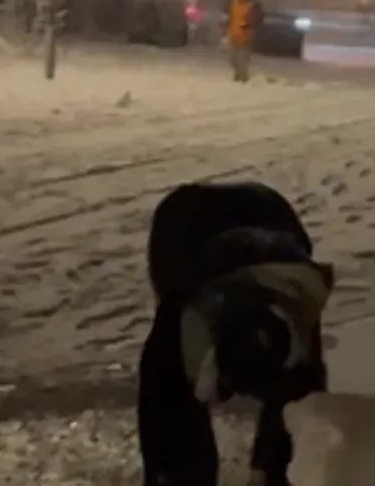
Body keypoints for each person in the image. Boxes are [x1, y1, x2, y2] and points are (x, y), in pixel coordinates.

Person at [139, 181, 333, 486]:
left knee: (295, 407)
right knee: (172, 379)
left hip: (265, 215)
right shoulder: (193, 322)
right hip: (190, 225)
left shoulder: (294, 317)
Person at [226, 0, 265, 83]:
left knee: (243, 57)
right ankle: (238, 74)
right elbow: (231, 16)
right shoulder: (235, 2)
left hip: (246, 33)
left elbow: (258, 17)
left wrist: (249, 25)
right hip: (234, 32)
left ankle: (243, 78)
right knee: (233, 58)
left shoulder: (253, 4)